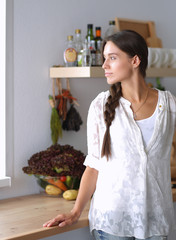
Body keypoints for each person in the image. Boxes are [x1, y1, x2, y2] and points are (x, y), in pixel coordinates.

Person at [43, 30, 176, 240]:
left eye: (112, 58)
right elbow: (94, 165)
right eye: (104, 58)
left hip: (156, 221)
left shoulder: (168, 105)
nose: (104, 65)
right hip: (112, 223)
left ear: (135, 60)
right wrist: (75, 211)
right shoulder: (100, 105)